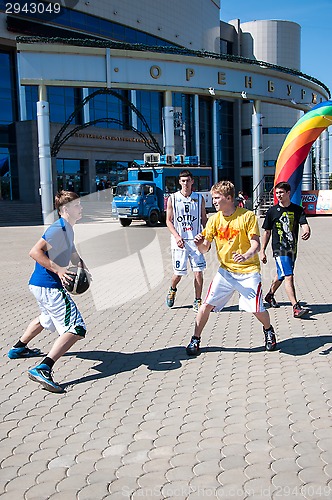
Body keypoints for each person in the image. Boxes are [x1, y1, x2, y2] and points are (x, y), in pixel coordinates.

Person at [8, 190, 88, 393]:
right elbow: (34, 252)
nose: (81, 208)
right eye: (77, 205)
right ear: (66, 209)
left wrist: (80, 264)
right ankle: (44, 368)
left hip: (40, 286)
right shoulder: (58, 229)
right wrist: (59, 270)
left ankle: (18, 348)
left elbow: (70, 250)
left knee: (47, 318)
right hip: (49, 286)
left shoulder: (68, 228)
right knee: (76, 327)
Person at [185, 180, 277, 356]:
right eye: (213, 198)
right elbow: (205, 248)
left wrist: (246, 255)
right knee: (206, 305)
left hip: (248, 271)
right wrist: (199, 245)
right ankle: (195, 339)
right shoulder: (213, 220)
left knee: (257, 309)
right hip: (226, 271)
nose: (214, 201)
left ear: (229, 198)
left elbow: (256, 244)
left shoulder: (247, 216)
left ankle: (268, 330)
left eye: (217, 198)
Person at [260, 181, 311, 318]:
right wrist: (262, 250)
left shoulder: (297, 209)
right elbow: (267, 232)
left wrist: (307, 230)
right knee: (289, 276)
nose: (278, 195)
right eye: (277, 193)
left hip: (292, 248)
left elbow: (304, 224)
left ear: (288, 193)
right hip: (279, 249)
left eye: (281, 192)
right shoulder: (272, 212)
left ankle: (270, 295)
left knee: (281, 275)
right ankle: (296, 307)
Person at [166, 169, 207, 312]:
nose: (185, 183)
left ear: (192, 181)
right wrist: (177, 237)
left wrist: (203, 235)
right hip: (180, 241)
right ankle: (172, 289)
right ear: (179, 182)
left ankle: (197, 300)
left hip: (195, 241)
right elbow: (168, 221)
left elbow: (204, 219)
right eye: (183, 181)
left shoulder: (199, 198)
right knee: (179, 273)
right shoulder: (173, 198)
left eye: (188, 180)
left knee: (198, 271)